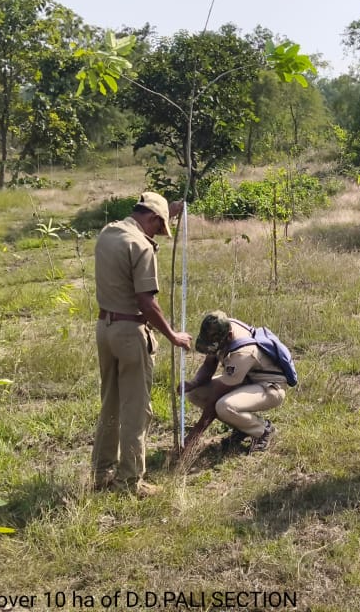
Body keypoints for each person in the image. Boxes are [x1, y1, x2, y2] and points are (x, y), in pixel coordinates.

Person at [91, 191, 192, 496]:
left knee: (110, 402)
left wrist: (168, 211)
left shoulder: (108, 233)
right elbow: (146, 303)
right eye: (158, 227)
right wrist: (172, 335)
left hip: (104, 329)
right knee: (136, 410)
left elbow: (148, 217)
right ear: (151, 218)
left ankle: (101, 472)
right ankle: (129, 481)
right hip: (130, 333)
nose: (157, 233)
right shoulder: (142, 246)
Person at [180, 310, 286, 454]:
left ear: (229, 337)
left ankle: (263, 430)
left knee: (224, 406)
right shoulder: (220, 329)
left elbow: (214, 399)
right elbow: (209, 365)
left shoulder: (242, 353)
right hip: (246, 378)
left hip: (270, 387)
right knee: (195, 393)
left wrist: (194, 436)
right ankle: (243, 427)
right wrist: (193, 383)